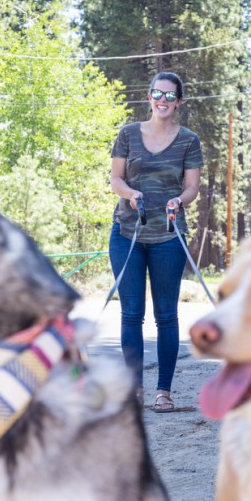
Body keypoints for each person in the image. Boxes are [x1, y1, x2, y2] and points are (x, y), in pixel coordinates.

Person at [108, 72, 203, 413]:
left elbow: (192, 187)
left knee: (166, 315)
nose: (162, 100)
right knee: (131, 314)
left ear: (178, 102)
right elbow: (116, 178)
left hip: (169, 236)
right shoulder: (128, 134)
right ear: (149, 97)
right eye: (157, 94)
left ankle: (163, 390)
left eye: (169, 96)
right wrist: (131, 194)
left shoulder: (189, 140)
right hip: (127, 234)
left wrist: (180, 200)